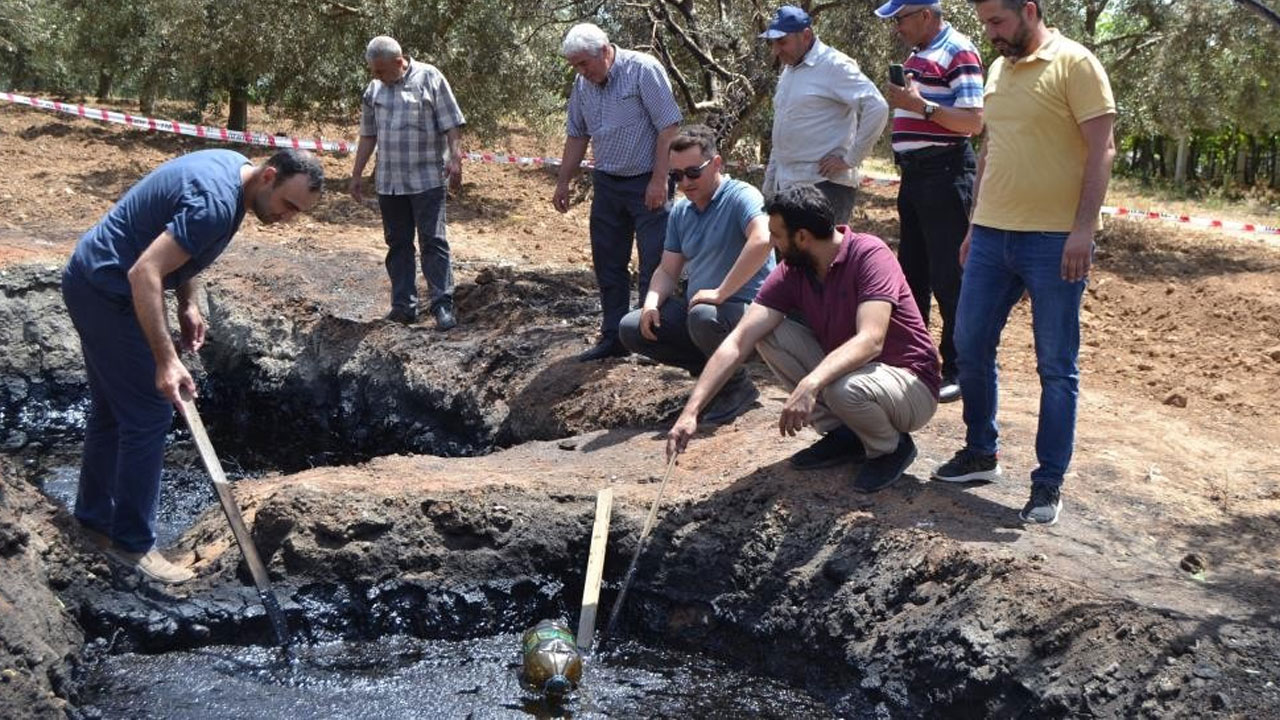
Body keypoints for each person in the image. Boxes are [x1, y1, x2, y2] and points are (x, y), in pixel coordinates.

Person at [62, 148, 324, 583]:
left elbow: (178, 248)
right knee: (149, 411)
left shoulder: (232, 170)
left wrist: (188, 302)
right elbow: (144, 273)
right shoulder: (215, 205)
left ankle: (93, 522)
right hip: (107, 290)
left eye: (299, 211)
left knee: (113, 410)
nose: (289, 218)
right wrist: (166, 361)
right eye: (288, 204)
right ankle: (132, 544)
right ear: (269, 176)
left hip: (93, 277)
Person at [933, 0, 1116, 526]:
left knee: (1055, 365)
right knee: (969, 344)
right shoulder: (997, 69)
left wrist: (1083, 229)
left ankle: (1048, 481)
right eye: (985, 23)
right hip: (992, 237)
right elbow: (993, 150)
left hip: (1054, 240)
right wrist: (974, 224)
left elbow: (1102, 148)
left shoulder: (1076, 63)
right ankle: (981, 453)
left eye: (998, 22)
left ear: (1029, 9)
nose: (990, 33)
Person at [667, 185, 941, 493]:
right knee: (769, 333)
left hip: (910, 385)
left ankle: (889, 448)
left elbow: (871, 340)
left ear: (801, 237)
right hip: (854, 378)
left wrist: (811, 383)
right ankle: (845, 435)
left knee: (842, 389)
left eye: (777, 235)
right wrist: (691, 412)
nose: (772, 243)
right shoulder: (794, 271)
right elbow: (738, 340)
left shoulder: (869, 254)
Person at [617, 125, 775, 425]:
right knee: (632, 327)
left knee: (703, 315)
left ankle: (736, 386)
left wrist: (721, 292)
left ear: (716, 164)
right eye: (676, 176)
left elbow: (763, 239)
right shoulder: (681, 212)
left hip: (747, 314)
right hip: (702, 314)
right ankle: (713, 378)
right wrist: (651, 303)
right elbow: (667, 269)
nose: (685, 183)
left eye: (693, 172)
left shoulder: (741, 195)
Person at [874, 0, 984, 405]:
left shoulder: (958, 51)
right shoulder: (919, 54)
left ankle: (959, 368)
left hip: (945, 173)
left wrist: (920, 106)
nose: (897, 28)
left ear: (925, 14)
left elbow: (973, 121)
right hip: (916, 177)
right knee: (914, 273)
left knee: (949, 277)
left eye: (900, 19)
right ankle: (917, 363)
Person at [553, 23, 683, 362]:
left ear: (605, 50)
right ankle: (614, 337)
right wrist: (563, 181)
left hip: (647, 181)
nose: (581, 72)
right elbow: (577, 134)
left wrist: (659, 179)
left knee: (654, 261)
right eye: (575, 66)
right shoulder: (582, 84)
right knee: (608, 262)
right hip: (608, 183)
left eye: (584, 63)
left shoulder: (642, 70)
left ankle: (651, 340)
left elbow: (668, 127)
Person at [350, 35, 466, 330]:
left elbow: (452, 124)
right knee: (398, 244)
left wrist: (455, 159)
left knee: (433, 241)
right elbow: (368, 135)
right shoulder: (374, 90)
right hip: (389, 183)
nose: (376, 76)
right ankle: (403, 307)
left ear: (399, 62)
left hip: (427, 179)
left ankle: (442, 305)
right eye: (373, 71)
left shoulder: (430, 78)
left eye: (380, 70)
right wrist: (357, 173)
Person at [760, 5, 889, 226]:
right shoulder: (789, 72)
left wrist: (850, 159)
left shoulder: (834, 65)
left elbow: (877, 107)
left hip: (824, 187)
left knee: (820, 249)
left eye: (782, 42)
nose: (775, 51)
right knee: (789, 249)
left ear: (806, 35)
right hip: (787, 185)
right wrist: (770, 183)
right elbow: (783, 129)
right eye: (773, 43)